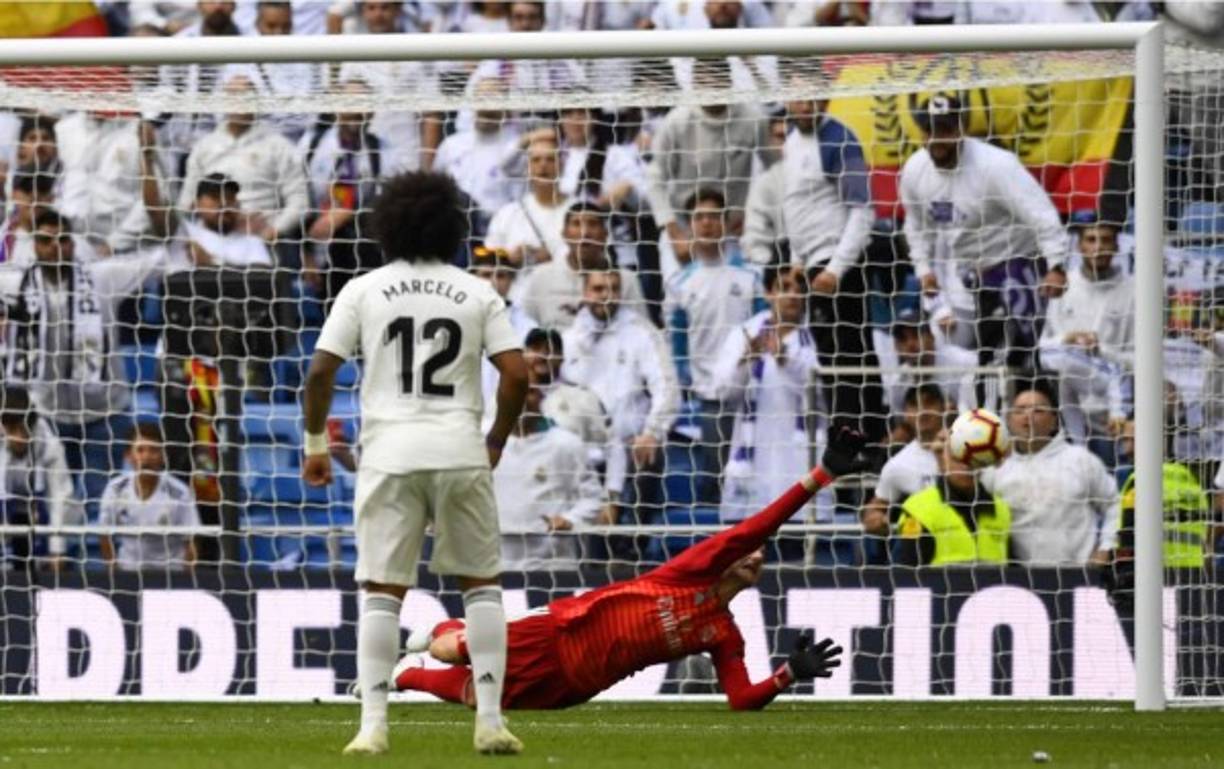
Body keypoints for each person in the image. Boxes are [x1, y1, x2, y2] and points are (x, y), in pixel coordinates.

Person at [391, 428, 864, 710]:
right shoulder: (690, 572)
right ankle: (439, 630)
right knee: (454, 651)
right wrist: (821, 476)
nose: (756, 555)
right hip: (558, 630)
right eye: (751, 551)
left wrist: (787, 675)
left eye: (761, 557)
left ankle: (406, 676)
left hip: (578, 683)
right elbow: (759, 525)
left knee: (483, 698)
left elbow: (740, 698)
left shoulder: (722, 634)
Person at [301, 171, 528, 755]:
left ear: (388, 225)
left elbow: (321, 371)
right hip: (459, 450)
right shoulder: (477, 291)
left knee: (383, 593)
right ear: (453, 226)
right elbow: (517, 372)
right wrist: (496, 439)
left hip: (390, 455)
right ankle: (490, 719)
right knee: (481, 587)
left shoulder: (363, 289)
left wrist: (316, 446)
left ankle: (373, 726)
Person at [3, 209, 165, 515]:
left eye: (63, 239)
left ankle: (99, 563)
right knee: (50, 507)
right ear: (34, 245)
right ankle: (56, 560)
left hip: (104, 414)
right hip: (47, 416)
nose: (56, 247)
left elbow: (156, 261)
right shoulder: (16, 284)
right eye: (46, 240)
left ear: (73, 244)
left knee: (100, 507)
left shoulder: (102, 278)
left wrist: (180, 232)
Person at [900, 95, 1068, 372]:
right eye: (929, 131)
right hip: (969, 274)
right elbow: (915, 227)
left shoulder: (997, 165)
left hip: (1018, 264)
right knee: (985, 364)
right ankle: (988, 413)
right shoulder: (914, 171)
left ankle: (1035, 408)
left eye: (944, 130)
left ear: (961, 130)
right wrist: (923, 270)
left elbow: (1042, 213)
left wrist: (1056, 266)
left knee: (1019, 358)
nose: (936, 140)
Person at [666, 188, 767, 504]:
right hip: (708, 396)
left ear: (726, 223)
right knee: (714, 478)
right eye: (699, 217)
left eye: (713, 217)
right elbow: (677, 344)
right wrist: (688, 384)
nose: (707, 223)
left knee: (754, 476)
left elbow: (765, 328)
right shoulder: (679, 284)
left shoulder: (750, 277)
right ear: (690, 226)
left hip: (752, 394)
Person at [562, 267, 680, 525]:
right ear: (585, 292)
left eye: (614, 289)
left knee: (648, 452)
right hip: (582, 446)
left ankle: (633, 545)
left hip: (631, 445)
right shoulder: (568, 339)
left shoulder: (642, 332)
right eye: (598, 289)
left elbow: (667, 386)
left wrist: (652, 431)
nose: (607, 296)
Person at [710, 264, 826, 523]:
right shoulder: (745, 333)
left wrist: (785, 358)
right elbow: (723, 392)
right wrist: (746, 359)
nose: (793, 295)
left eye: (799, 289)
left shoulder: (819, 336)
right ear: (767, 293)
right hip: (754, 454)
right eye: (784, 287)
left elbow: (819, 394)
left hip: (797, 457)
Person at [645, 59, 772, 278]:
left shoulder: (753, 119)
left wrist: (753, 216)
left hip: (735, 230)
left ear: (729, 82)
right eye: (704, 81)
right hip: (684, 227)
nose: (711, 87)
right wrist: (674, 232)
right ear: (694, 84)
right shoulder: (676, 122)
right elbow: (655, 180)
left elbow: (775, 171)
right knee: (680, 296)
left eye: (717, 81)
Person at [990, 378, 1120, 566]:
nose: (1028, 416)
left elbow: (1114, 503)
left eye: (1038, 410)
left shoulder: (1080, 460)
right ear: (1009, 420)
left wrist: (1106, 548)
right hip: (1017, 582)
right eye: (1020, 410)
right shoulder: (995, 468)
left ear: (1054, 421)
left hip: (1079, 576)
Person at [175, 72, 309, 250]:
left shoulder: (279, 146)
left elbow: (300, 202)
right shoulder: (203, 148)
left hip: (266, 245)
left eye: (246, 96)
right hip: (211, 243)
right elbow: (186, 204)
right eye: (233, 96)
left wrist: (269, 234)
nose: (239, 102)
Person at [1038, 217, 1133, 462]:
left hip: (1113, 422)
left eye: (1106, 240)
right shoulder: (1063, 287)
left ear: (1117, 247)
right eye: (1091, 239)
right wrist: (1066, 339)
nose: (1098, 247)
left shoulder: (1135, 292)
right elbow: (1041, 349)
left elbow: (1141, 360)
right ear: (1079, 246)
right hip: (1065, 422)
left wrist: (1101, 352)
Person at [493, 364, 603, 570]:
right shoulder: (483, 443)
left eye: (531, 393)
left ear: (542, 400)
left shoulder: (566, 444)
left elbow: (593, 498)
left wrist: (570, 519)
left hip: (552, 566)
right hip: (498, 563)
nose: (523, 400)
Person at [518, 201, 645, 330]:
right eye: (576, 224)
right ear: (564, 234)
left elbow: (643, 332)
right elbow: (523, 328)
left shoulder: (626, 280)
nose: (584, 233)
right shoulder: (541, 277)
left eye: (592, 224)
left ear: (605, 235)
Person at [894, 429, 1012, 567]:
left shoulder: (1001, 509)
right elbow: (905, 570)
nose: (966, 466)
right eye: (957, 459)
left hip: (993, 588)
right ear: (943, 463)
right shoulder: (917, 508)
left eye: (972, 459)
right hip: (940, 587)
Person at [98, 422, 200, 572]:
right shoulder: (115, 489)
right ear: (128, 456)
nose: (147, 457)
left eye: (154, 450)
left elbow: (192, 540)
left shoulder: (179, 492)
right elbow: (104, 535)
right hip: (128, 572)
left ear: (163, 456)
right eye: (140, 450)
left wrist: (186, 581)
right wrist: (115, 574)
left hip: (170, 574)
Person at [0, 386, 79, 570]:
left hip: (40, 513)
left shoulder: (50, 446)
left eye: (23, 429)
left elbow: (60, 499)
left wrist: (56, 550)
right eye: (12, 430)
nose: (19, 437)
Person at [860, 384, 949, 540]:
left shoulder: (966, 447)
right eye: (914, 405)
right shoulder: (897, 465)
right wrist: (873, 517)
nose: (922, 411)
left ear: (944, 408)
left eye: (929, 403)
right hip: (922, 548)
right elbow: (875, 507)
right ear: (905, 414)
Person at [485, 132, 574, 272]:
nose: (543, 165)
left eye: (550, 159)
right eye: (536, 160)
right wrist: (509, 256)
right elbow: (486, 253)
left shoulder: (578, 210)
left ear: (561, 166)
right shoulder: (508, 213)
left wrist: (552, 259)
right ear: (528, 168)